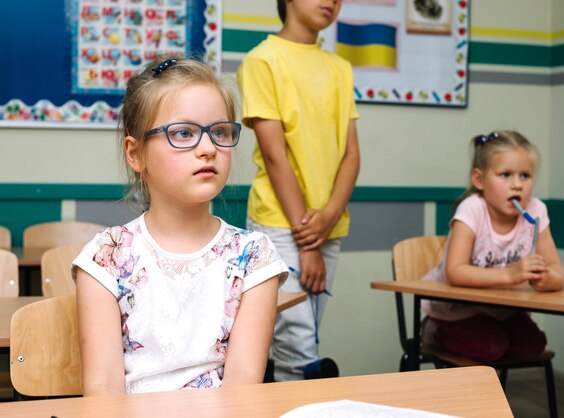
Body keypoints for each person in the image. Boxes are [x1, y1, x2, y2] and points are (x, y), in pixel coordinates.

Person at [72, 57, 288, 396]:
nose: (208, 149)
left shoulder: (253, 257)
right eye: (184, 133)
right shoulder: (105, 257)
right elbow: (103, 389)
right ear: (136, 153)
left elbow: (242, 387)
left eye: (219, 132)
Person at [237, 0, 360, 381]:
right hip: (281, 224)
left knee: (306, 339)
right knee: (299, 351)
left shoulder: (340, 67)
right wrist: (308, 241)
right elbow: (275, 156)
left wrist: (328, 217)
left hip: (328, 225)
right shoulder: (262, 60)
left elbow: (352, 154)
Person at [422, 130, 564, 362]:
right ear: (479, 180)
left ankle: (495, 340)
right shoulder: (471, 210)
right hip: (456, 310)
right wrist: (511, 274)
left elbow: (558, 272)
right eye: (506, 175)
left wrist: (547, 279)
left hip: (502, 309)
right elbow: (455, 271)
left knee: (532, 346)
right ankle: (435, 332)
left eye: (525, 176)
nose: (517, 185)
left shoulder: (536, 211)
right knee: (492, 348)